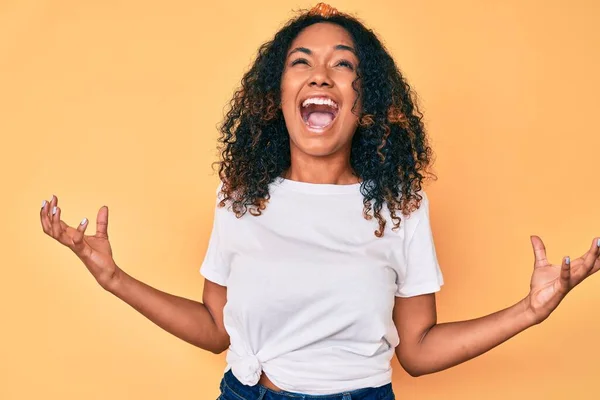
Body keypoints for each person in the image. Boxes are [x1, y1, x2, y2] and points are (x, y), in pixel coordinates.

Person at [39, 3, 600, 400]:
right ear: (278, 96)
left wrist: (529, 312)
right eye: (301, 62)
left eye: (344, 64)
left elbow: (419, 351)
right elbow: (216, 329)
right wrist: (114, 279)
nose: (322, 75)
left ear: (365, 100)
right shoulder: (240, 196)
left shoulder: (400, 206)